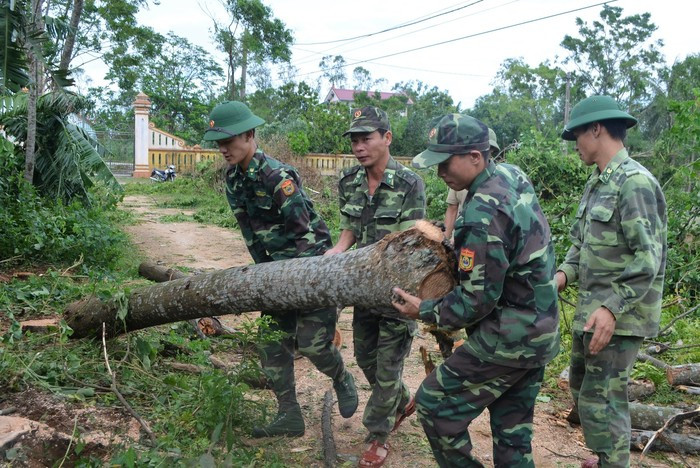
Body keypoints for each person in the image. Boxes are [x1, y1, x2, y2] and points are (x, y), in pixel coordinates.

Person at [392, 113, 560, 467]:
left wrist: (422, 309)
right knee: (513, 437)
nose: (440, 173)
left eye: (445, 162)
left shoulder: (480, 213)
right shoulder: (511, 175)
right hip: (539, 332)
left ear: (475, 157)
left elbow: (475, 300)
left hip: (507, 341)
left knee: (434, 404)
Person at [203, 101, 358, 437]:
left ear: (249, 135)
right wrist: (266, 277)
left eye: (227, 141)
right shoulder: (233, 179)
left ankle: (343, 378)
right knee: (271, 344)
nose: (223, 149)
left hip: (313, 269)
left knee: (313, 344)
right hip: (276, 275)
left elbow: (306, 233)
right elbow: (249, 233)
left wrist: (297, 285)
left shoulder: (277, 176)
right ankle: (289, 414)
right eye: (218, 143)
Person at [555, 96, 667, 468]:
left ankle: (613, 462)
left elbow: (647, 258)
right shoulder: (597, 183)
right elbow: (578, 245)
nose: (575, 145)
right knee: (583, 391)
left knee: (605, 399)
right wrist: (561, 277)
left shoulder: (634, 183)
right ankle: (606, 456)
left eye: (577, 136)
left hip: (618, 316)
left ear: (597, 129)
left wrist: (611, 308)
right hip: (593, 310)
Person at [324, 106, 425, 467]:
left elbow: (412, 243)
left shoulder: (411, 183)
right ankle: (402, 399)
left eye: (366, 138)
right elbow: (349, 231)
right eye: (354, 140)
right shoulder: (349, 181)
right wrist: (336, 252)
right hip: (362, 291)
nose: (359, 146)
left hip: (397, 291)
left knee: (387, 367)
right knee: (366, 358)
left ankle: (377, 434)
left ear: (387, 138)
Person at [443, 127, 500, 242]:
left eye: (490, 150)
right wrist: (444, 240)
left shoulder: (497, 181)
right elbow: (452, 208)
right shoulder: (460, 178)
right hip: (460, 238)